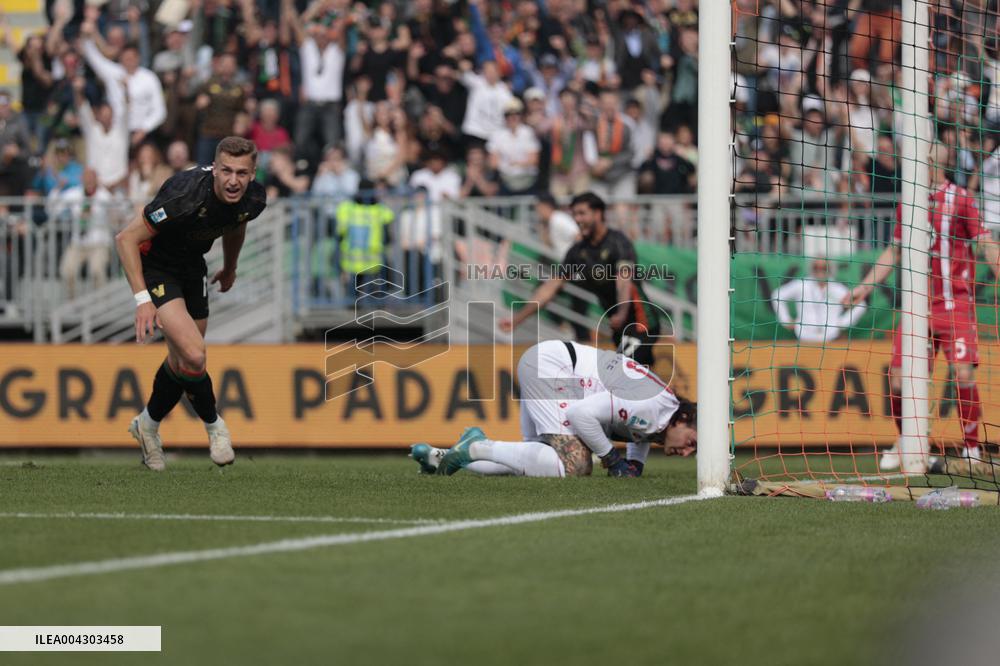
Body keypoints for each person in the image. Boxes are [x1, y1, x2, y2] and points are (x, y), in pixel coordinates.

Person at [114, 137, 267, 471]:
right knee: (195, 354)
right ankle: (216, 427)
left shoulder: (254, 199)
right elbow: (126, 239)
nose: (232, 180)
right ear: (214, 169)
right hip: (156, 266)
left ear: (253, 173)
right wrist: (142, 300)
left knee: (185, 363)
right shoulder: (184, 195)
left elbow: (235, 223)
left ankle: (147, 425)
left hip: (193, 267)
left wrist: (230, 265)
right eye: (226, 170)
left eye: (241, 173)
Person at [843, 143, 1000, 469]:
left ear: (935, 161)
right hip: (917, 307)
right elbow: (894, 251)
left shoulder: (961, 198)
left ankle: (971, 450)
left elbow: (984, 243)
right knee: (898, 378)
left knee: (963, 374)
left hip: (955, 304)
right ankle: (908, 440)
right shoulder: (909, 204)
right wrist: (864, 286)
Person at [412, 339, 696, 478]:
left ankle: (443, 457)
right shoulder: (649, 404)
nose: (686, 452)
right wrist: (611, 459)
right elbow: (580, 415)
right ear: (682, 419)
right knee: (575, 465)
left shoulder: (663, 408)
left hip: (554, 363)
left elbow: (642, 430)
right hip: (555, 368)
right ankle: (477, 445)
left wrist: (635, 464)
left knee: (532, 461)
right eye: (690, 442)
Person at [500, 192, 662, 365]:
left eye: (582, 213)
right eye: (574, 214)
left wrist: (622, 313)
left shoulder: (618, 242)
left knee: (619, 374)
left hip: (640, 321)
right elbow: (548, 289)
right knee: (642, 385)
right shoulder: (577, 252)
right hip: (618, 325)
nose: (577, 219)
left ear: (598, 214)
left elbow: (623, 282)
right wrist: (517, 319)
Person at [772, 257, 866, 342]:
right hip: (804, 337)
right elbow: (777, 295)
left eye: (824, 267)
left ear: (830, 269)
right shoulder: (802, 284)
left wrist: (843, 323)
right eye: (816, 267)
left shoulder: (837, 288)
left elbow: (861, 304)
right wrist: (786, 320)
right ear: (811, 269)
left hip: (831, 338)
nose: (820, 270)